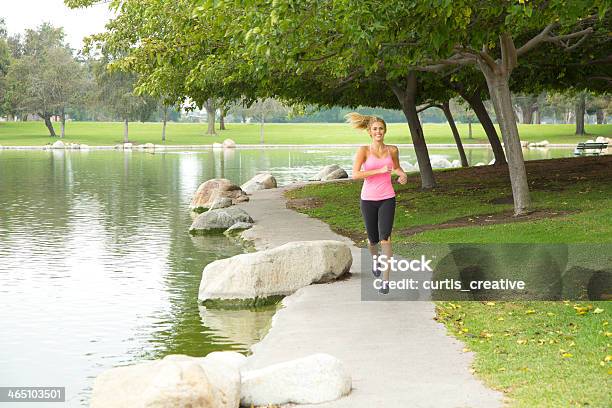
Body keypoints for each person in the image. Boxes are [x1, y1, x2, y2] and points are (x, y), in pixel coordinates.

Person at [347, 113, 408, 295]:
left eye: (381, 128)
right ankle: (375, 260)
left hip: (387, 198)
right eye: (375, 129)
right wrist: (377, 171)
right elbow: (356, 174)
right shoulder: (364, 151)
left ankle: (385, 281)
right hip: (368, 199)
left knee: (385, 238)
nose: (378, 131)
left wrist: (402, 174)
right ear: (370, 132)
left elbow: (396, 167)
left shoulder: (392, 150)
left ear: (385, 130)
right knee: (373, 240)